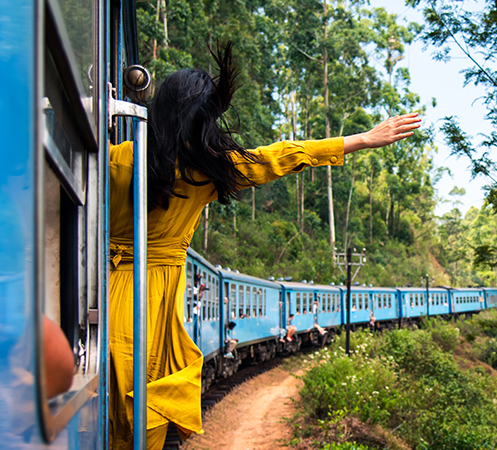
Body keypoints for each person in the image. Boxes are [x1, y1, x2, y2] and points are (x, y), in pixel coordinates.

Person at [107, 42, 420, 450]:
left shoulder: (117, 161)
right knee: (146, 405)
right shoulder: (206, 172)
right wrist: (360, 139)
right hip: (155, 301)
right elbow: (283, 156)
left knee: (114, 401)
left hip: (106, 289)